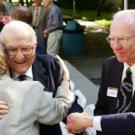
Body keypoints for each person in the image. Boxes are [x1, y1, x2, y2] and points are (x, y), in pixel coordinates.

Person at [0, 20, 83, 135]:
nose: (20, 56)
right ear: (2, 49)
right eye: (12, 49)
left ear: (35, 47)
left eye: (26, 49)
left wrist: (77, 117)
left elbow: (68, 103)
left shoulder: (51, 64)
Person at [66, 9, 135, 135]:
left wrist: (90, 122)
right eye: (111, 39)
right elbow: (101, 109)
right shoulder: (110, 66)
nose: (115, 46)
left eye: (122, 39)